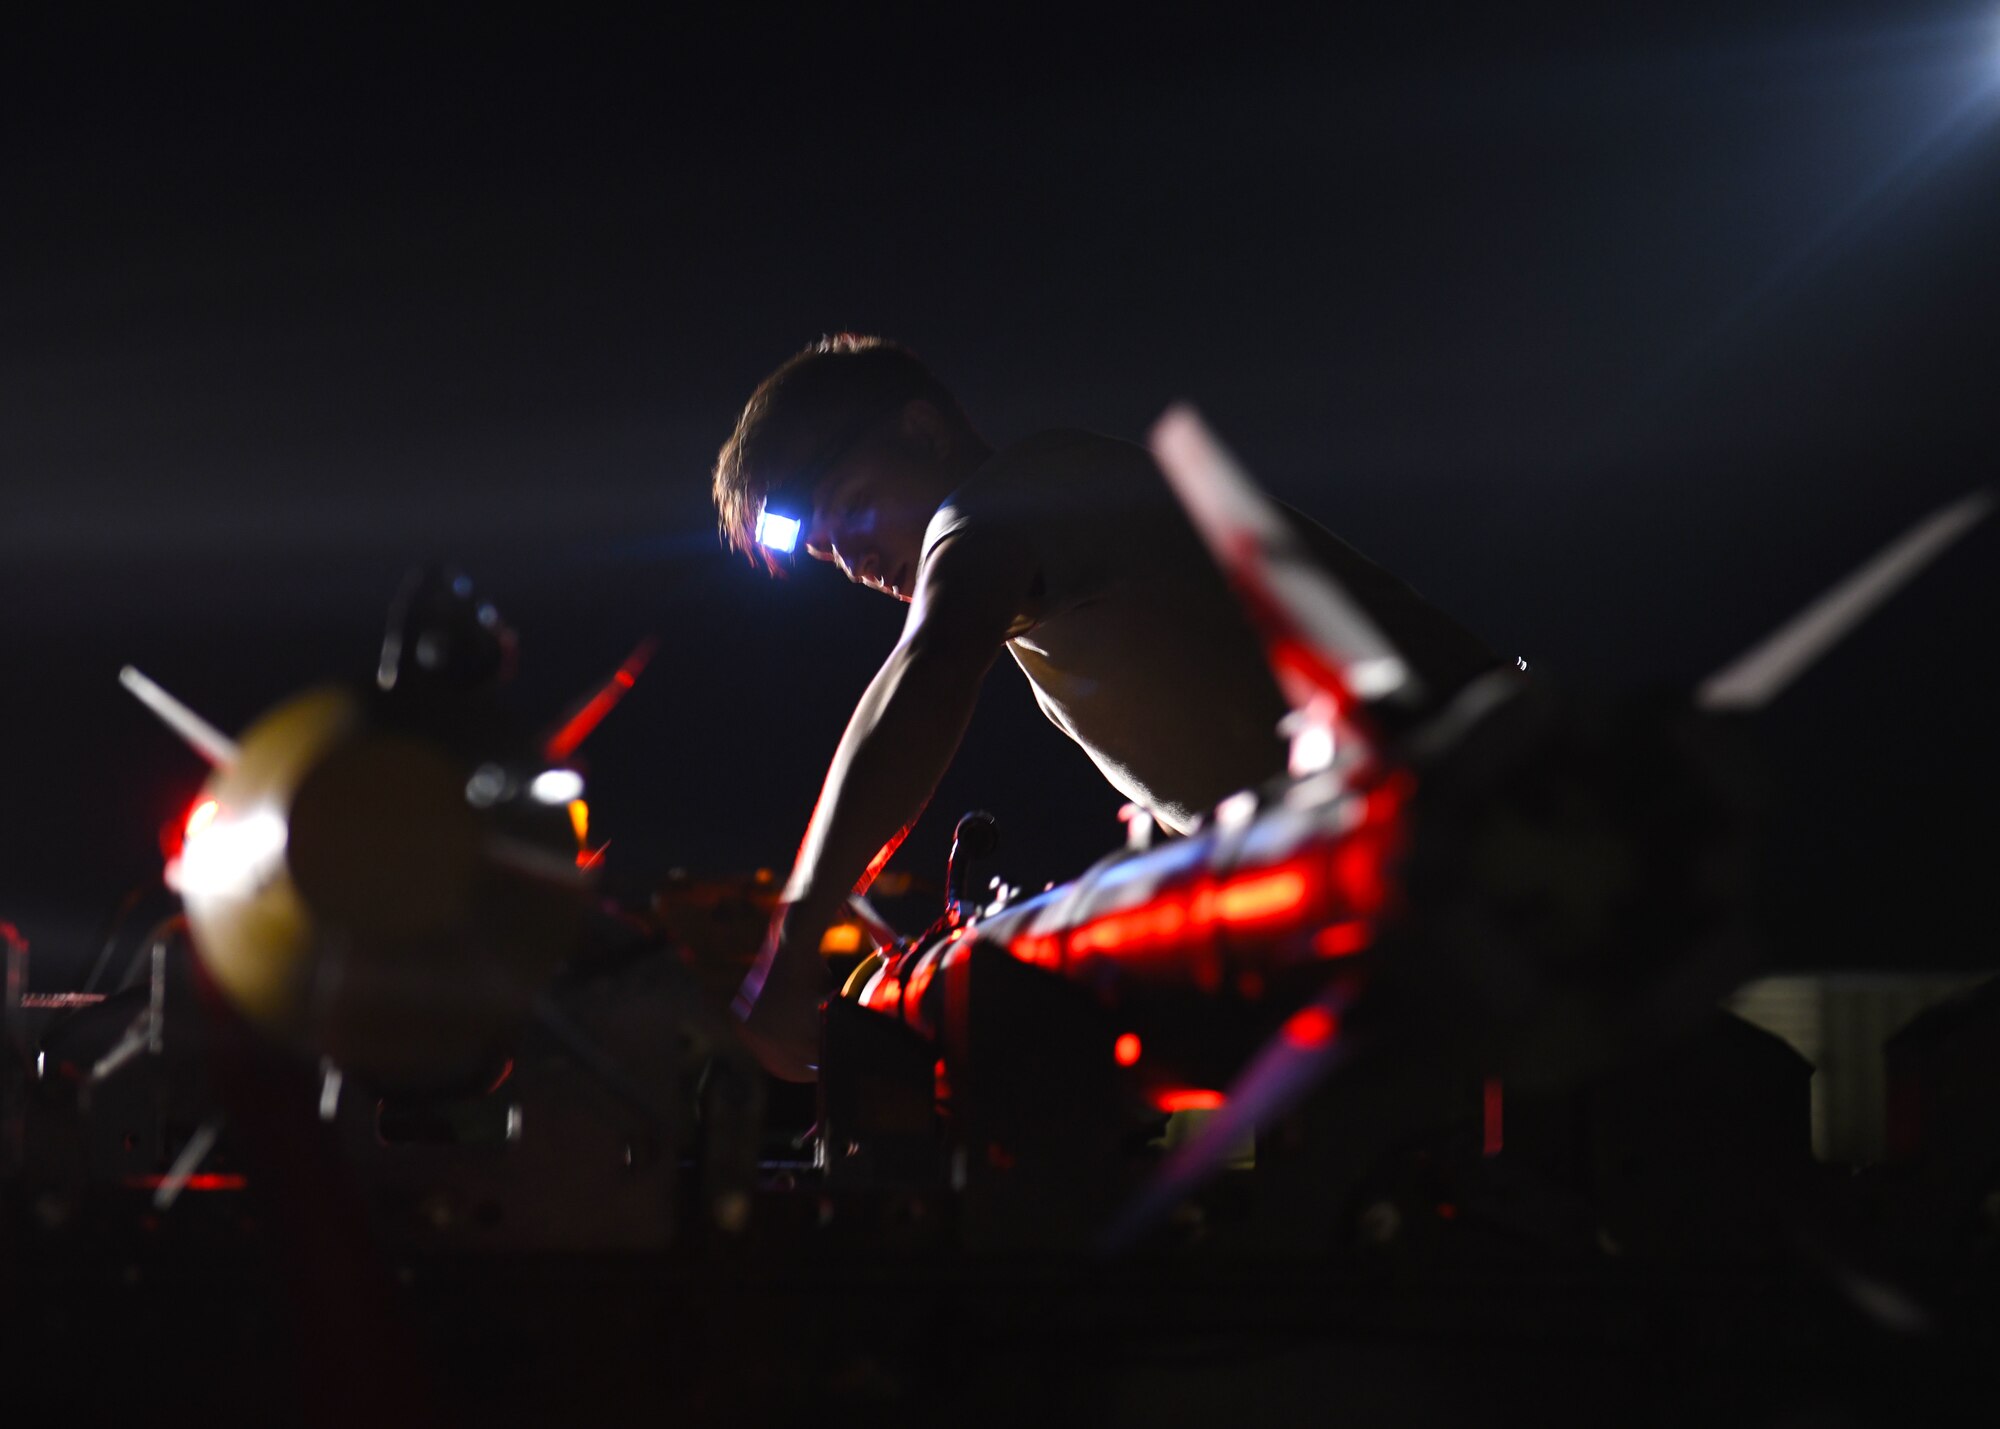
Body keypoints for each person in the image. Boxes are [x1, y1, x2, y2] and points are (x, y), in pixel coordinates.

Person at [712, 335, 1496, 1080]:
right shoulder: (1054, 562)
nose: (853, 558)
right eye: (826, 550)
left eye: (852, 506)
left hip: (1491, 815)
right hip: (1431, 864)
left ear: (923, 429)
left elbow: (927, 676)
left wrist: (796, 936)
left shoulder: (1014, 496)